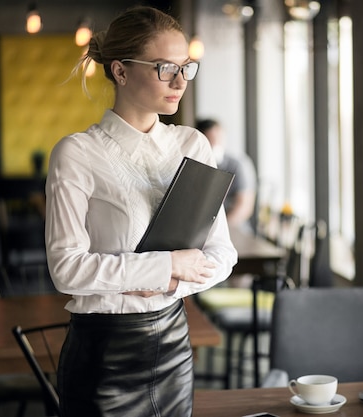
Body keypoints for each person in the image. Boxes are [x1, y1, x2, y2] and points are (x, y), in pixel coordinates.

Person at [44, 6, 237, 417]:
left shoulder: (193, 145)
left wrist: (168, 284)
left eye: (186, 67)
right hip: (103, 355)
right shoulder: (76, 154)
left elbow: (223, 255)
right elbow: (66, 269)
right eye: (166, 68)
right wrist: (164, 266)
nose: (180, 81)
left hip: (173, 346)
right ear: (120, 71)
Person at [196, 118, 257, 230]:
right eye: (211, 140)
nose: (216, 144)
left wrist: (221, 230)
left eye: (219, 138)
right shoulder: (196, 164)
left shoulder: (238, 164)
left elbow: (245, 206)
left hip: (234, 228)